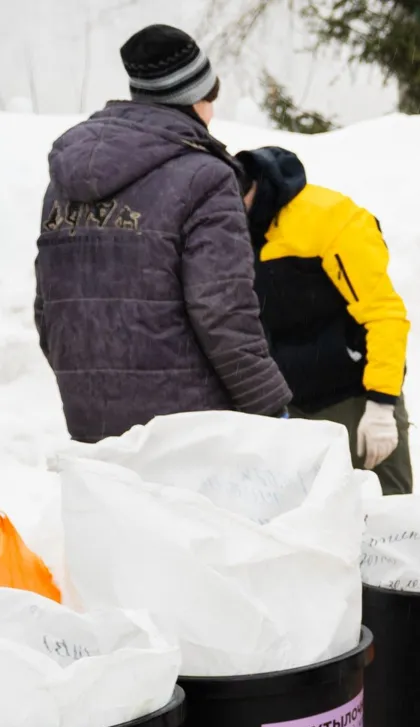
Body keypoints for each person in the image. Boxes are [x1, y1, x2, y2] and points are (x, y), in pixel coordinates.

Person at [34, 24, 290, 442]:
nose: (212, 114)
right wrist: (269, 405)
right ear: (194, 99)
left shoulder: (61, 184)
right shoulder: (205, 178)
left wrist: (92, 386)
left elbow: (49, 309)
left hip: (92, 424)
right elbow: (222, 309)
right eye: (211, 99)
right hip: (187, 432)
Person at [237, 146, 414, 494]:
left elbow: (384, 315)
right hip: (289, 409)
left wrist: (381, 406)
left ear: (253, 186)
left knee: (385, 515)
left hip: (353, 400)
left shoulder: (331, 218)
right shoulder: (233, 231)